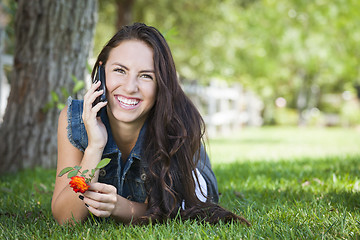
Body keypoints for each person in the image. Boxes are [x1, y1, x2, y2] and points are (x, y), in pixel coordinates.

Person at [51, 23, 250, 226]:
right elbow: (66, 218)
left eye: (146, 76)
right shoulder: (75, 118)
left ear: (160, 83)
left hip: (191, 170)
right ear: (102, 70)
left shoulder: (177, 125)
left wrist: (118, 207)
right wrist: (94, 147)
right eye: (120, 70)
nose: (130, 87)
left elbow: (174, 210)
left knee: (194, 198)